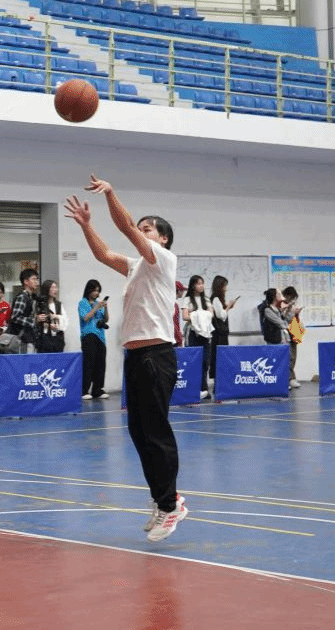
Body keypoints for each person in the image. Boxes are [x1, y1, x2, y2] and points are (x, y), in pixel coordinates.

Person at [65, 175, 187, 542]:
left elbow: (126, 226)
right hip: (135, 356)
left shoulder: (163, 259)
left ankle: (171, 505)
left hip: (156, 355)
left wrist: (111, 194)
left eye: (149, 229)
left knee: (156, 431)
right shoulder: (137, 266)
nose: (141, 230)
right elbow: (104, 255)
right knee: (138, 432)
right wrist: (87, 225)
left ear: (162, 239)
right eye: (142, 227)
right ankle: (164, 499)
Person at [183, 276, 214, 400]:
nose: (201, 286)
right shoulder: (187, 299)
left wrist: (198, 314)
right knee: (194, 361)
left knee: (205, 362)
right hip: (193, 333)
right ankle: (193, 389)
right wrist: (199, 315)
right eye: (198, 283)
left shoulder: (206, 299)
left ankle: (204, 389)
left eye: (202, 283)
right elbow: (185, 316)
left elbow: (211, 314)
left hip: (205, 334)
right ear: (192, 285)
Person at [78, 279, 109, 400]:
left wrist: (105, 308)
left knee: (100, 364)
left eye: (98, 291)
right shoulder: (83, 303)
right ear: (89, 290)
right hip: (88, 335)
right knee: (88, 363)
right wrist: (96, 307)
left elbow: (106, 319)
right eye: (94, 290)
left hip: (100, 336)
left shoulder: (98, 303)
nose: (96, 293)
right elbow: (86, 317)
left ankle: (98, 389)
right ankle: (84, 390)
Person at [6, 269, 48, 354]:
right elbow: (15, 317)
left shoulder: (32, 297)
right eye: (34, 279)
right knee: (25, 361)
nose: (36, 282)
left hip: (30, 339)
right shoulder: (22, 297)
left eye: (37, 279)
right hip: (21, 340)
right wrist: (35, 320)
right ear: (26, 281)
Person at [208, 276, 237, 394]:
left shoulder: (217, 299)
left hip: (220, 333)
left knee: (220, 358)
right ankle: (218, 386)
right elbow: (221, 316)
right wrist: (228, 306)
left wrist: (227, 306)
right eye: (225, 286)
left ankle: (220, 384)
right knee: (218, 358)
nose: (226, 288)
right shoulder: (215, 299)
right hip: (219, 334)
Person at [280, 286, 302, 389]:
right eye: (291, 297)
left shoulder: (292, 305)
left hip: (293, 332)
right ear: (286, 295)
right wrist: (292, 312)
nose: (292, 299)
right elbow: (283, 319)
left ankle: (292, 378)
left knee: (293, 356)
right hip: (285, 333)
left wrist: (297, 313)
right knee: (288, 357)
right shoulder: (281, 305)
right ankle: (288, 379)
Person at [36, 279, 65, 353]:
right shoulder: (39, 304)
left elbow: (65, 320)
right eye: (52, 288)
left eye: (56, 287)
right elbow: (35, 321)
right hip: (44, 339)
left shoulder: (58, 304)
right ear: (46, 289)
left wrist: (57, 317)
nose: (55, 290)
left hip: (57, 339)